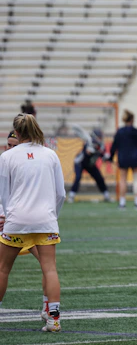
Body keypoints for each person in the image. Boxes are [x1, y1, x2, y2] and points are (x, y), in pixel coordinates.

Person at [0, 114, 65, 332]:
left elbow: (3, 194)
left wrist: (8, 215)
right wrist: (52, 215)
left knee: (3, 270)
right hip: (46, 220)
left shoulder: (7, 157)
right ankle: (54, 319)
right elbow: (61, 194)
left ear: (16, 133)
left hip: (16, 220)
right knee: (50, 269)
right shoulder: (50, 155)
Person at [1, 130, 50, 320]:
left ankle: (48, 307)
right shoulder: (5, 160)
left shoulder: (28, 163)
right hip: (10, 223)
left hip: (21, 223)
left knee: (47, 266)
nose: (12, 149)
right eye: (9, 145)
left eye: (15, 145)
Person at [108, 110, 137, 209]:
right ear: (132, 119)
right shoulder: (136, 132)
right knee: (136, 180)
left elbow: (114, 146)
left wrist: (111, 157)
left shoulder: (120, 131)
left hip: (122, 159)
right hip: (135, 158)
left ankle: (122, 203)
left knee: (123, 180)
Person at [68, 128, 111, 203]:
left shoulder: (100, 145)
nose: (100, 138)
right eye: (99, 136)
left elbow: (102, 155)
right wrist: (91, 151)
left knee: (99, 178)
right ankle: (71, 196)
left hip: (90, 164)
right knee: (78, 178)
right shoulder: (89, 143)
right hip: (80, 162)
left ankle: (106, 195)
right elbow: (86, 154)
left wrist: (105, 157)